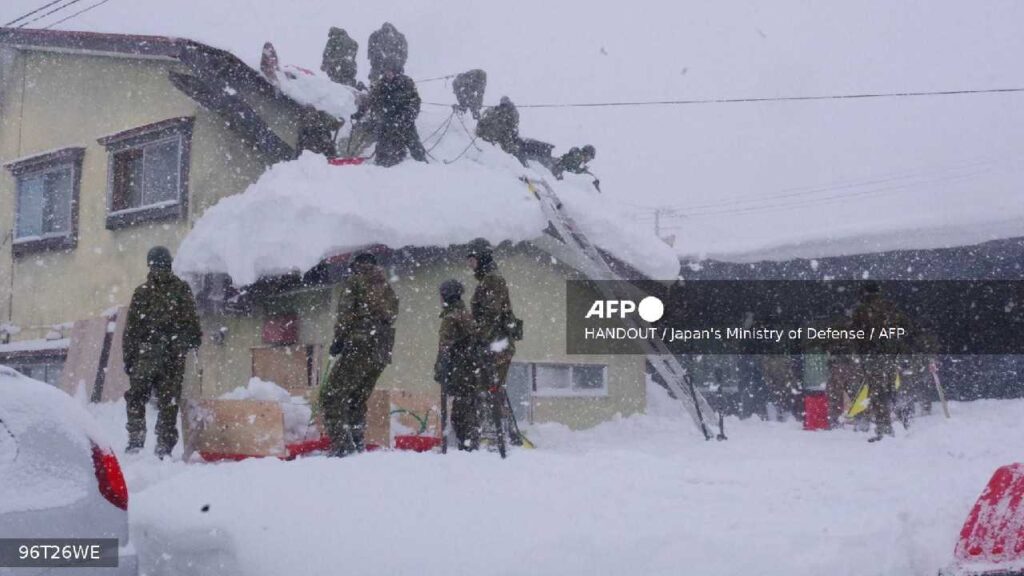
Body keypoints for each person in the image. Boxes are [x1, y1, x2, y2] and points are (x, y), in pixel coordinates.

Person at [123, 246, 202, 458]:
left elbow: (193, 329)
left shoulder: (165, 291)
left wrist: (130, 358)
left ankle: (150, 444)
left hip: (158, 356)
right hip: (158, 356)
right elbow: (132, 329)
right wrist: (130, 357)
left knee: (156, 401)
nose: (159, 269)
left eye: (161, 265)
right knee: (158, 400)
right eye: (157, 266)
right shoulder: (151, 292)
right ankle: (150, 444)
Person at [321, 252, 399, 457]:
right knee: (356, 397)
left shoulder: (354, 282)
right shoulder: (385, 287)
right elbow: (392, 316)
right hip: (381, 351)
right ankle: (357, 443)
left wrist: (338, 340)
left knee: (332, 396)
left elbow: (345, 314)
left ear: (355, 266)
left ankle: (343, 448)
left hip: (359, 345)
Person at [465, 239, 521, 442]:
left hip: (496, 345)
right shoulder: (487, 280)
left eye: (472, 260)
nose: (470, 266)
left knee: (490, 389)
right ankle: (496, 433)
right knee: (490, 389)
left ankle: (497, 435)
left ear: (482, 258)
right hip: (494, 343)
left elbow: (491, 314)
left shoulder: (492, 280)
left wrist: (479, 340)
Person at [850, 281, 909, 442]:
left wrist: (861, 353)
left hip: (873, 356)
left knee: (877, 392)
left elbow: (856, 335)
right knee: (891, 389)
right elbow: (903, 329)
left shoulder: (862, 310)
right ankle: (903, 422)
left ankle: (885, 429)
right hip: (890, 355)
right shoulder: (891, 307)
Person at [433, 280, 482, 451]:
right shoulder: (465, 313)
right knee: (468, 411)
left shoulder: (451, 317)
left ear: (446, 296)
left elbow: (445, 348)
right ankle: (471, 446)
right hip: (470, 371)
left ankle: (468, 449)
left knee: (460, 416)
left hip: (460, 371)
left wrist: (440, 370)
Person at [352, 68, 426, 167]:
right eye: (386, 71)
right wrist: (359, 113)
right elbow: (371, 101)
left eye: (391, 71)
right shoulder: (380, 85)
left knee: (415, 146)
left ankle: (423, 166)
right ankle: (381, 167)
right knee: (382, 148)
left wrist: (406, 116)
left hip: (405, 121)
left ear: (396, 71)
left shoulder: (407, 83)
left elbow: (415, 102)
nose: (388, 74)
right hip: (386, 121)